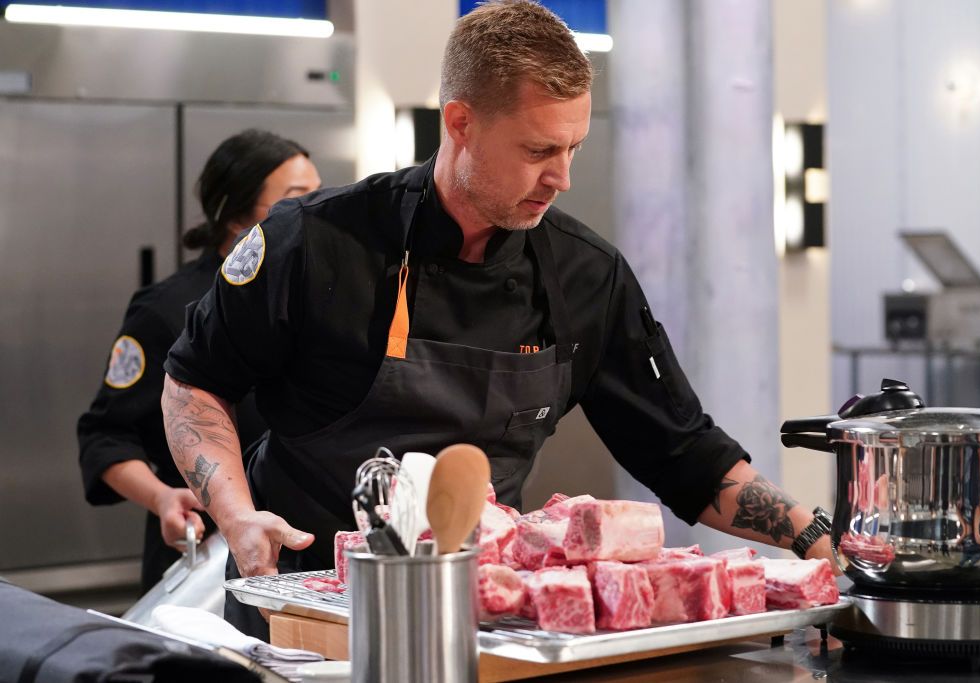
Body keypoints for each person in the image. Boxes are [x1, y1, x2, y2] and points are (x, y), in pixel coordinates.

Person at [161, 1, 834, 637]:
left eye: (573, 148)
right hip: (304, 606)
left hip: (485, 616)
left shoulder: (586, 274)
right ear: (460, 124)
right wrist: (238, 515)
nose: (562, 177)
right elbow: (193, 382)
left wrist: (815, 536)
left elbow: (684, 450)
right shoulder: (314, 243)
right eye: (540, 151)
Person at [78, 129, 322, 591]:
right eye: (296, 199)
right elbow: (105, 436)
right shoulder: (165, 309)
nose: (313, 211)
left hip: (302, 552)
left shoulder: (314, 298)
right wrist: (163, 498)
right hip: (204, 557)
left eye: (318, 194)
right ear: (235, 216)